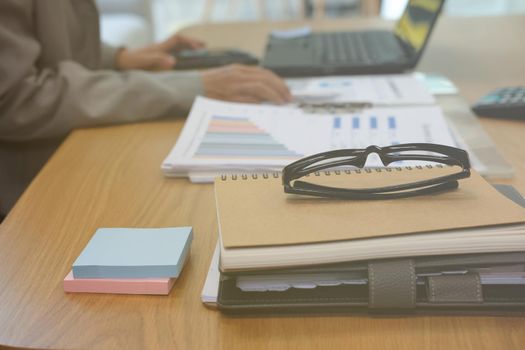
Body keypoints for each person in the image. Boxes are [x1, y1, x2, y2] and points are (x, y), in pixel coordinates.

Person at [0, 0, 291, 216]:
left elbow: (43, 40)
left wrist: (120, 58)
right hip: (31, 197)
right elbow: (15, 98)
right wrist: (188, 87)